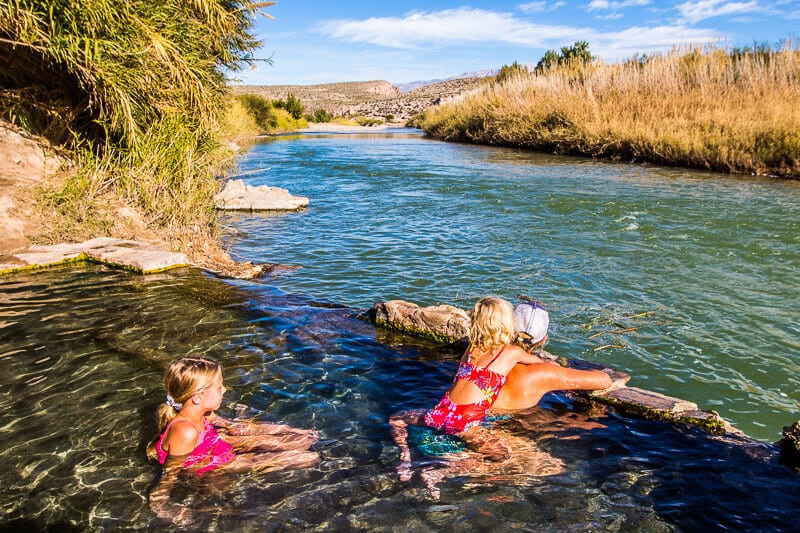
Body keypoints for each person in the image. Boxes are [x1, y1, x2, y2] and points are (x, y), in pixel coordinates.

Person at [389, 296, 616, 483]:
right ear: (543, 338)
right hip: (471, 426)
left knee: (397, 418)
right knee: (506, 459)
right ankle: (442, 471)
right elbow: (603, 381)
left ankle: (405, 459)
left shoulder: (473, 348)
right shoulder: (537, 368)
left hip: (438, 415)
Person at [146, 356, 319, 525]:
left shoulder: (204, 412)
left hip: (215, 443)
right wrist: (161, 505)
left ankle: (287, 435)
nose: (225, 390)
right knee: (308, 458)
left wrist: (291, 431)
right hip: (206, 465)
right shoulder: (185, 431)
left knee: (303, 441)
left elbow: (233, 427)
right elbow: (169, 473)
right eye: (219, 387)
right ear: (197, 397)